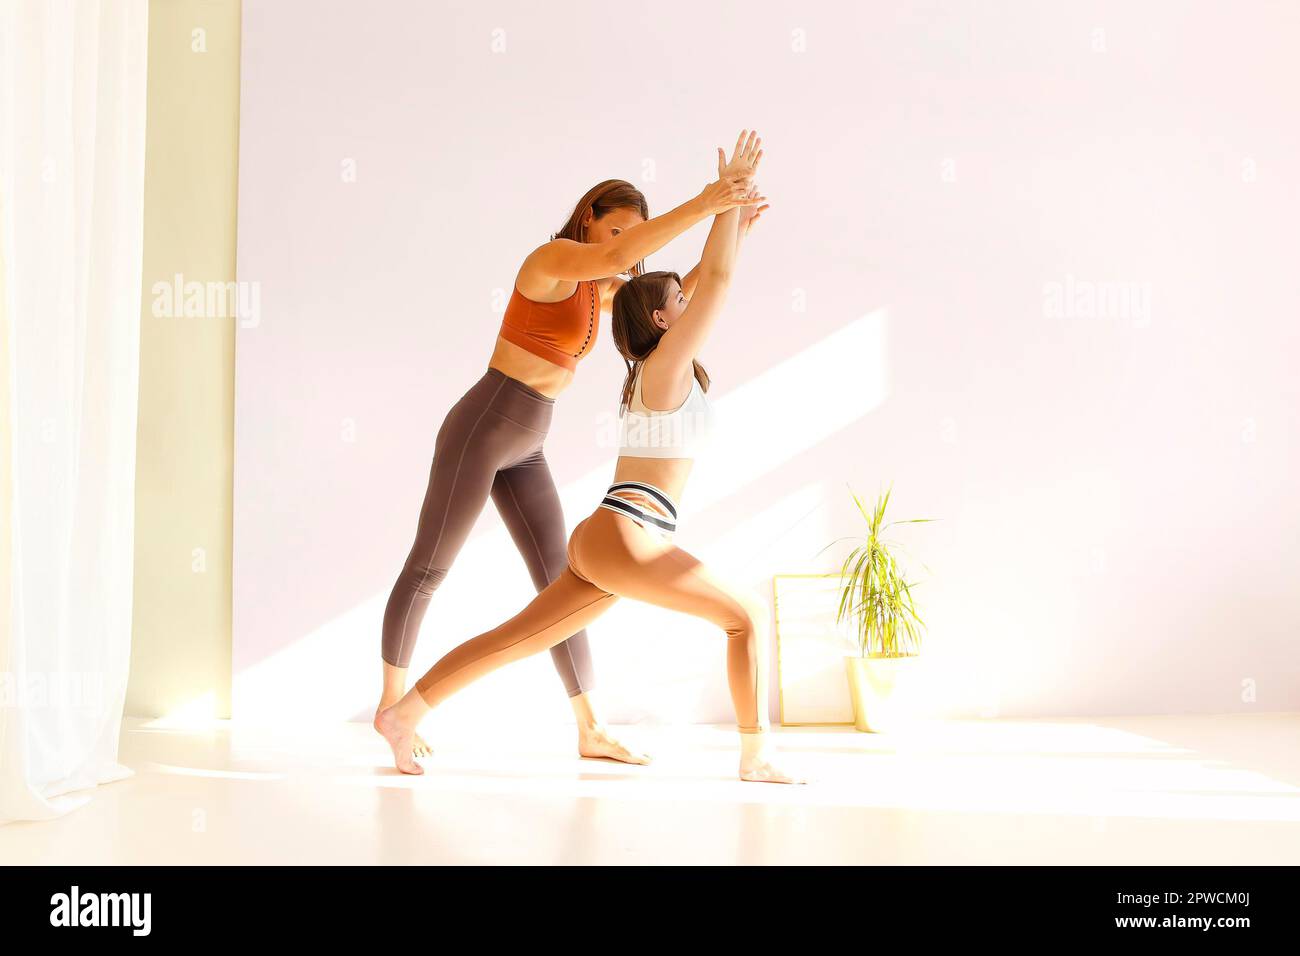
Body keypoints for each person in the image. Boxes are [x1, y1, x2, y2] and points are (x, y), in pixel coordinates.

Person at [378, 139, 803, 783]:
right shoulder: (565, 271)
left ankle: (408, 714)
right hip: (561, 479)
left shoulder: (647, 359)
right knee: (745, 615)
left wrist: (733, 226)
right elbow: (686, 284)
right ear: (589, 220)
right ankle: (757, 755)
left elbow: (672, 292)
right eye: (619, 229)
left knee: (521, 635)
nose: (632, 244)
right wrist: (717, 201)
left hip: (597, 515)